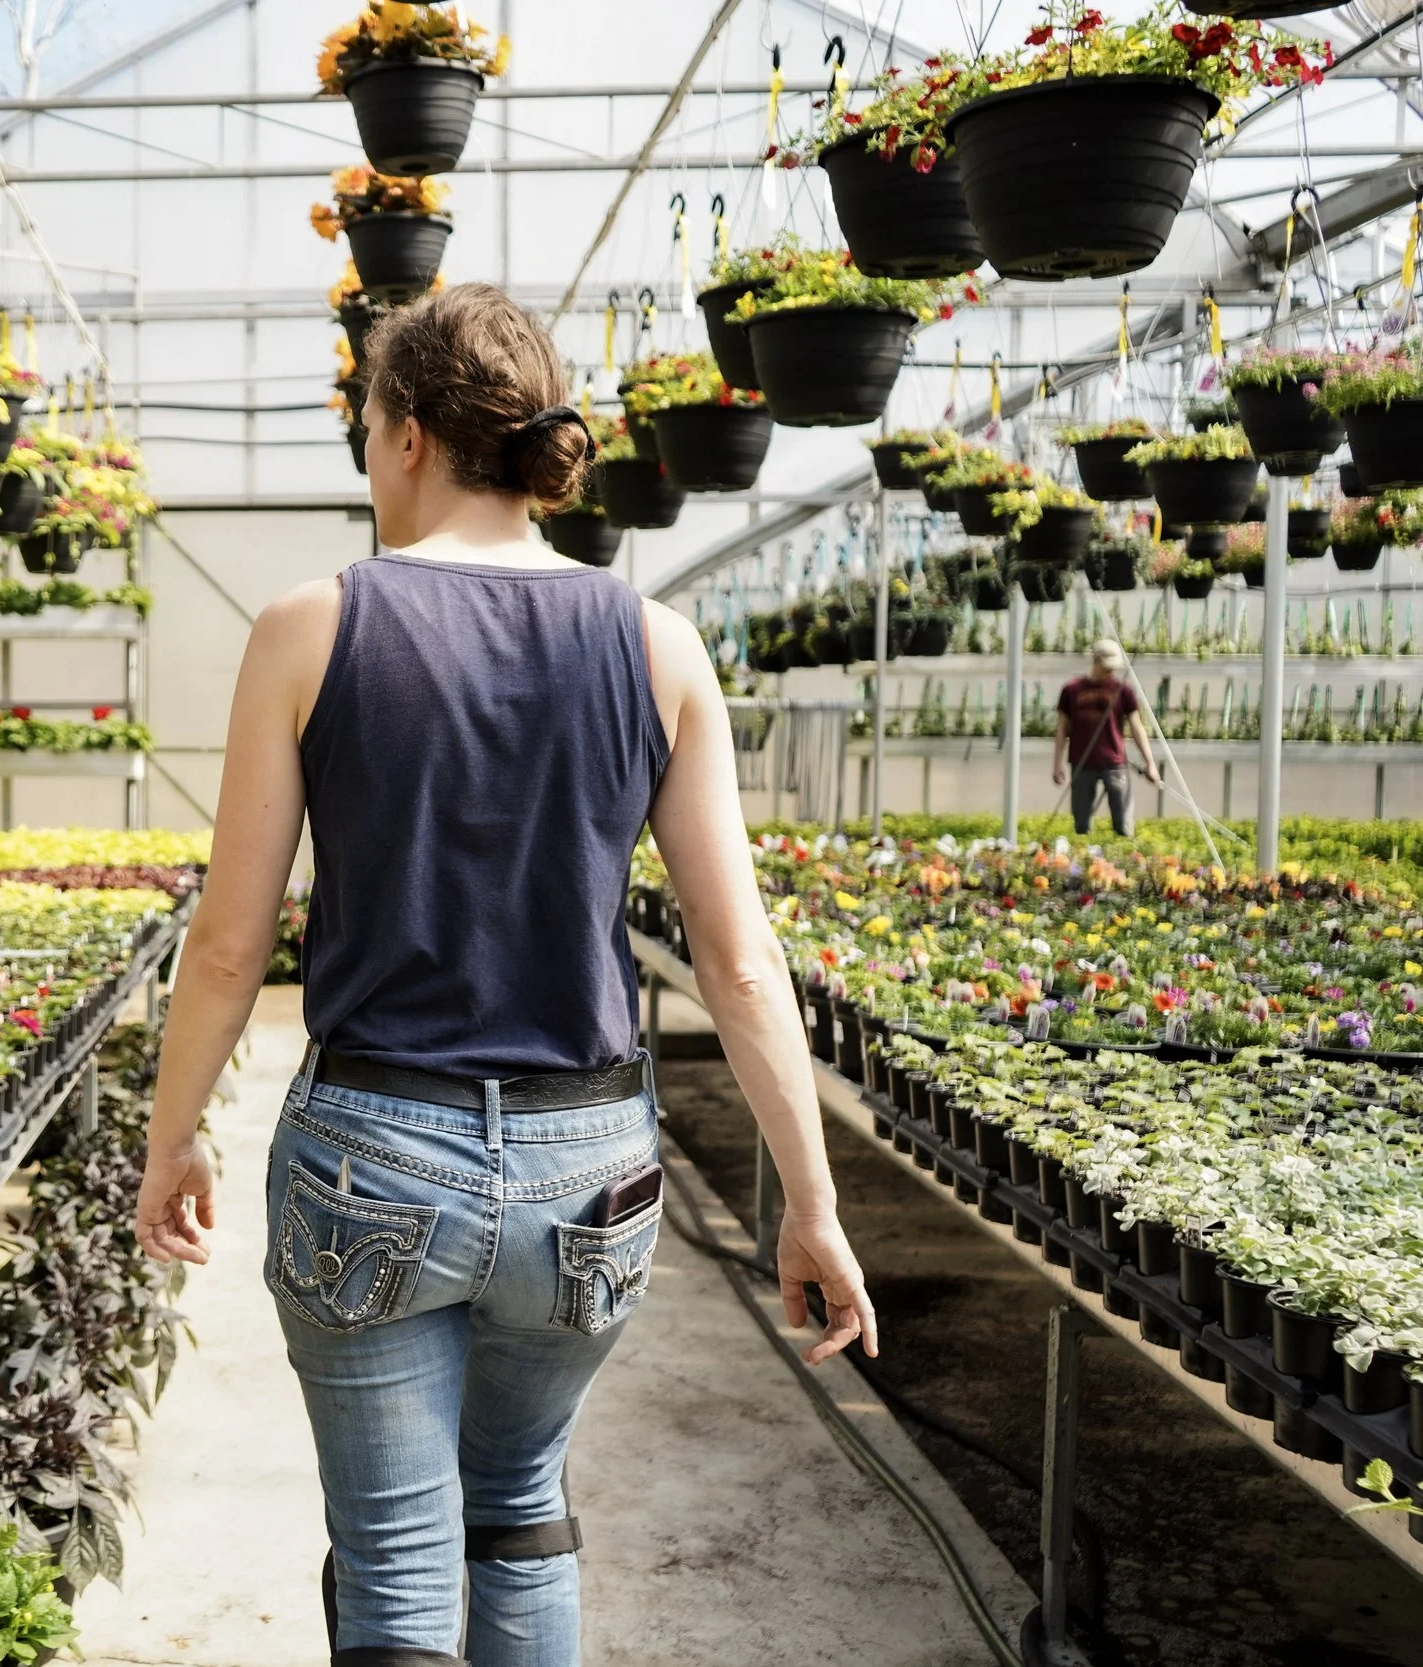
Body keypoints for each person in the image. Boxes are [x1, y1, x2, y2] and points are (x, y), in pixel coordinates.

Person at [130, 284, 876, 1667]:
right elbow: (741, 961)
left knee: (398, 1550)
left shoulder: (312, 627)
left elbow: (233, 940)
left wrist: (171, 1134)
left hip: (373, 1151)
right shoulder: (653, 643)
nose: (364, 455)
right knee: (521, 1501)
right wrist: (812, 1205)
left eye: (364, 424)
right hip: (587, 1170)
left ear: (409, 434)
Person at [1051, 639, 1161, 836]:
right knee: (1081, 824)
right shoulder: (1072, 690)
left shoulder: (1123, 691)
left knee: (1123, 822)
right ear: (1095, 661)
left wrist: (1150, 763)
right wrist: (1057, 764)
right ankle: (1086, 860)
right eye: (1106, 666)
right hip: (1081, 762)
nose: (1111, 671)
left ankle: (1125, 860)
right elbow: (1061, 729)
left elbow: (1137, 728)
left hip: (1115, 762)